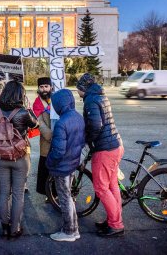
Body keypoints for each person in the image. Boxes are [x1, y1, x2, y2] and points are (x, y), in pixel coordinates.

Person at [76, 73, 125, 237]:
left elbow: (96, 125)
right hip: (115, 144)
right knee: (112, 186)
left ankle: (116, 225)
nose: (77, 92)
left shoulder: (91, 100)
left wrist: (87, 140)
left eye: (78, 89)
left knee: (101, 188)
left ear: (83, 88)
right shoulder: (100, 96)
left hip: (104, 149)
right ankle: (113, 219)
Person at [0, 80, 39, 239]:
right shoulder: (23, 112)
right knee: (18, 194)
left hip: (0, 157)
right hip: (20, 157)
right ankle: (15, 228)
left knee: (3, 193)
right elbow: (36, 124)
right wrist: (29, 108)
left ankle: (4, 226)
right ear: (20, 95)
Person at [46, 89, 85, 242]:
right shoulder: (78, 117)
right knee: (68, 197)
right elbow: (82, 142)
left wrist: (49, 163)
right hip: (73, 163)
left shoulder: (62, 123)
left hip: (62, 167)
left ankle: (69, 231)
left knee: (65, 198)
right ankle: (74, 229)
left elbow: (58, 151)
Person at [33, 77, 52, 198]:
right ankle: (49, 194)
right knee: (46, 167)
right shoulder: (37, 103)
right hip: (46, 141)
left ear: (51, 87)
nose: (44, 89)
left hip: (61, 139)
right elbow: (40, 123)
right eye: (41, 87)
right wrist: (51, 136)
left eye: (46, 86)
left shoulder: (57, 99)